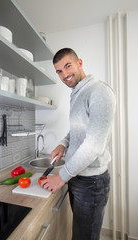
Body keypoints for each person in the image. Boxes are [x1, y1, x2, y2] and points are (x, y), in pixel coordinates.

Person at [41, 48, 116, 240]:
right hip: (77, 177)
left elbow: (93, 145)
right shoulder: (77, 93)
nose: (65, 74)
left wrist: (62, 176)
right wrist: (63, 144)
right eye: (59, 71)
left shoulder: (99, 91)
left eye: (68, 66)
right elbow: (77, 130)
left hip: (91, 183)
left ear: (79, 62)